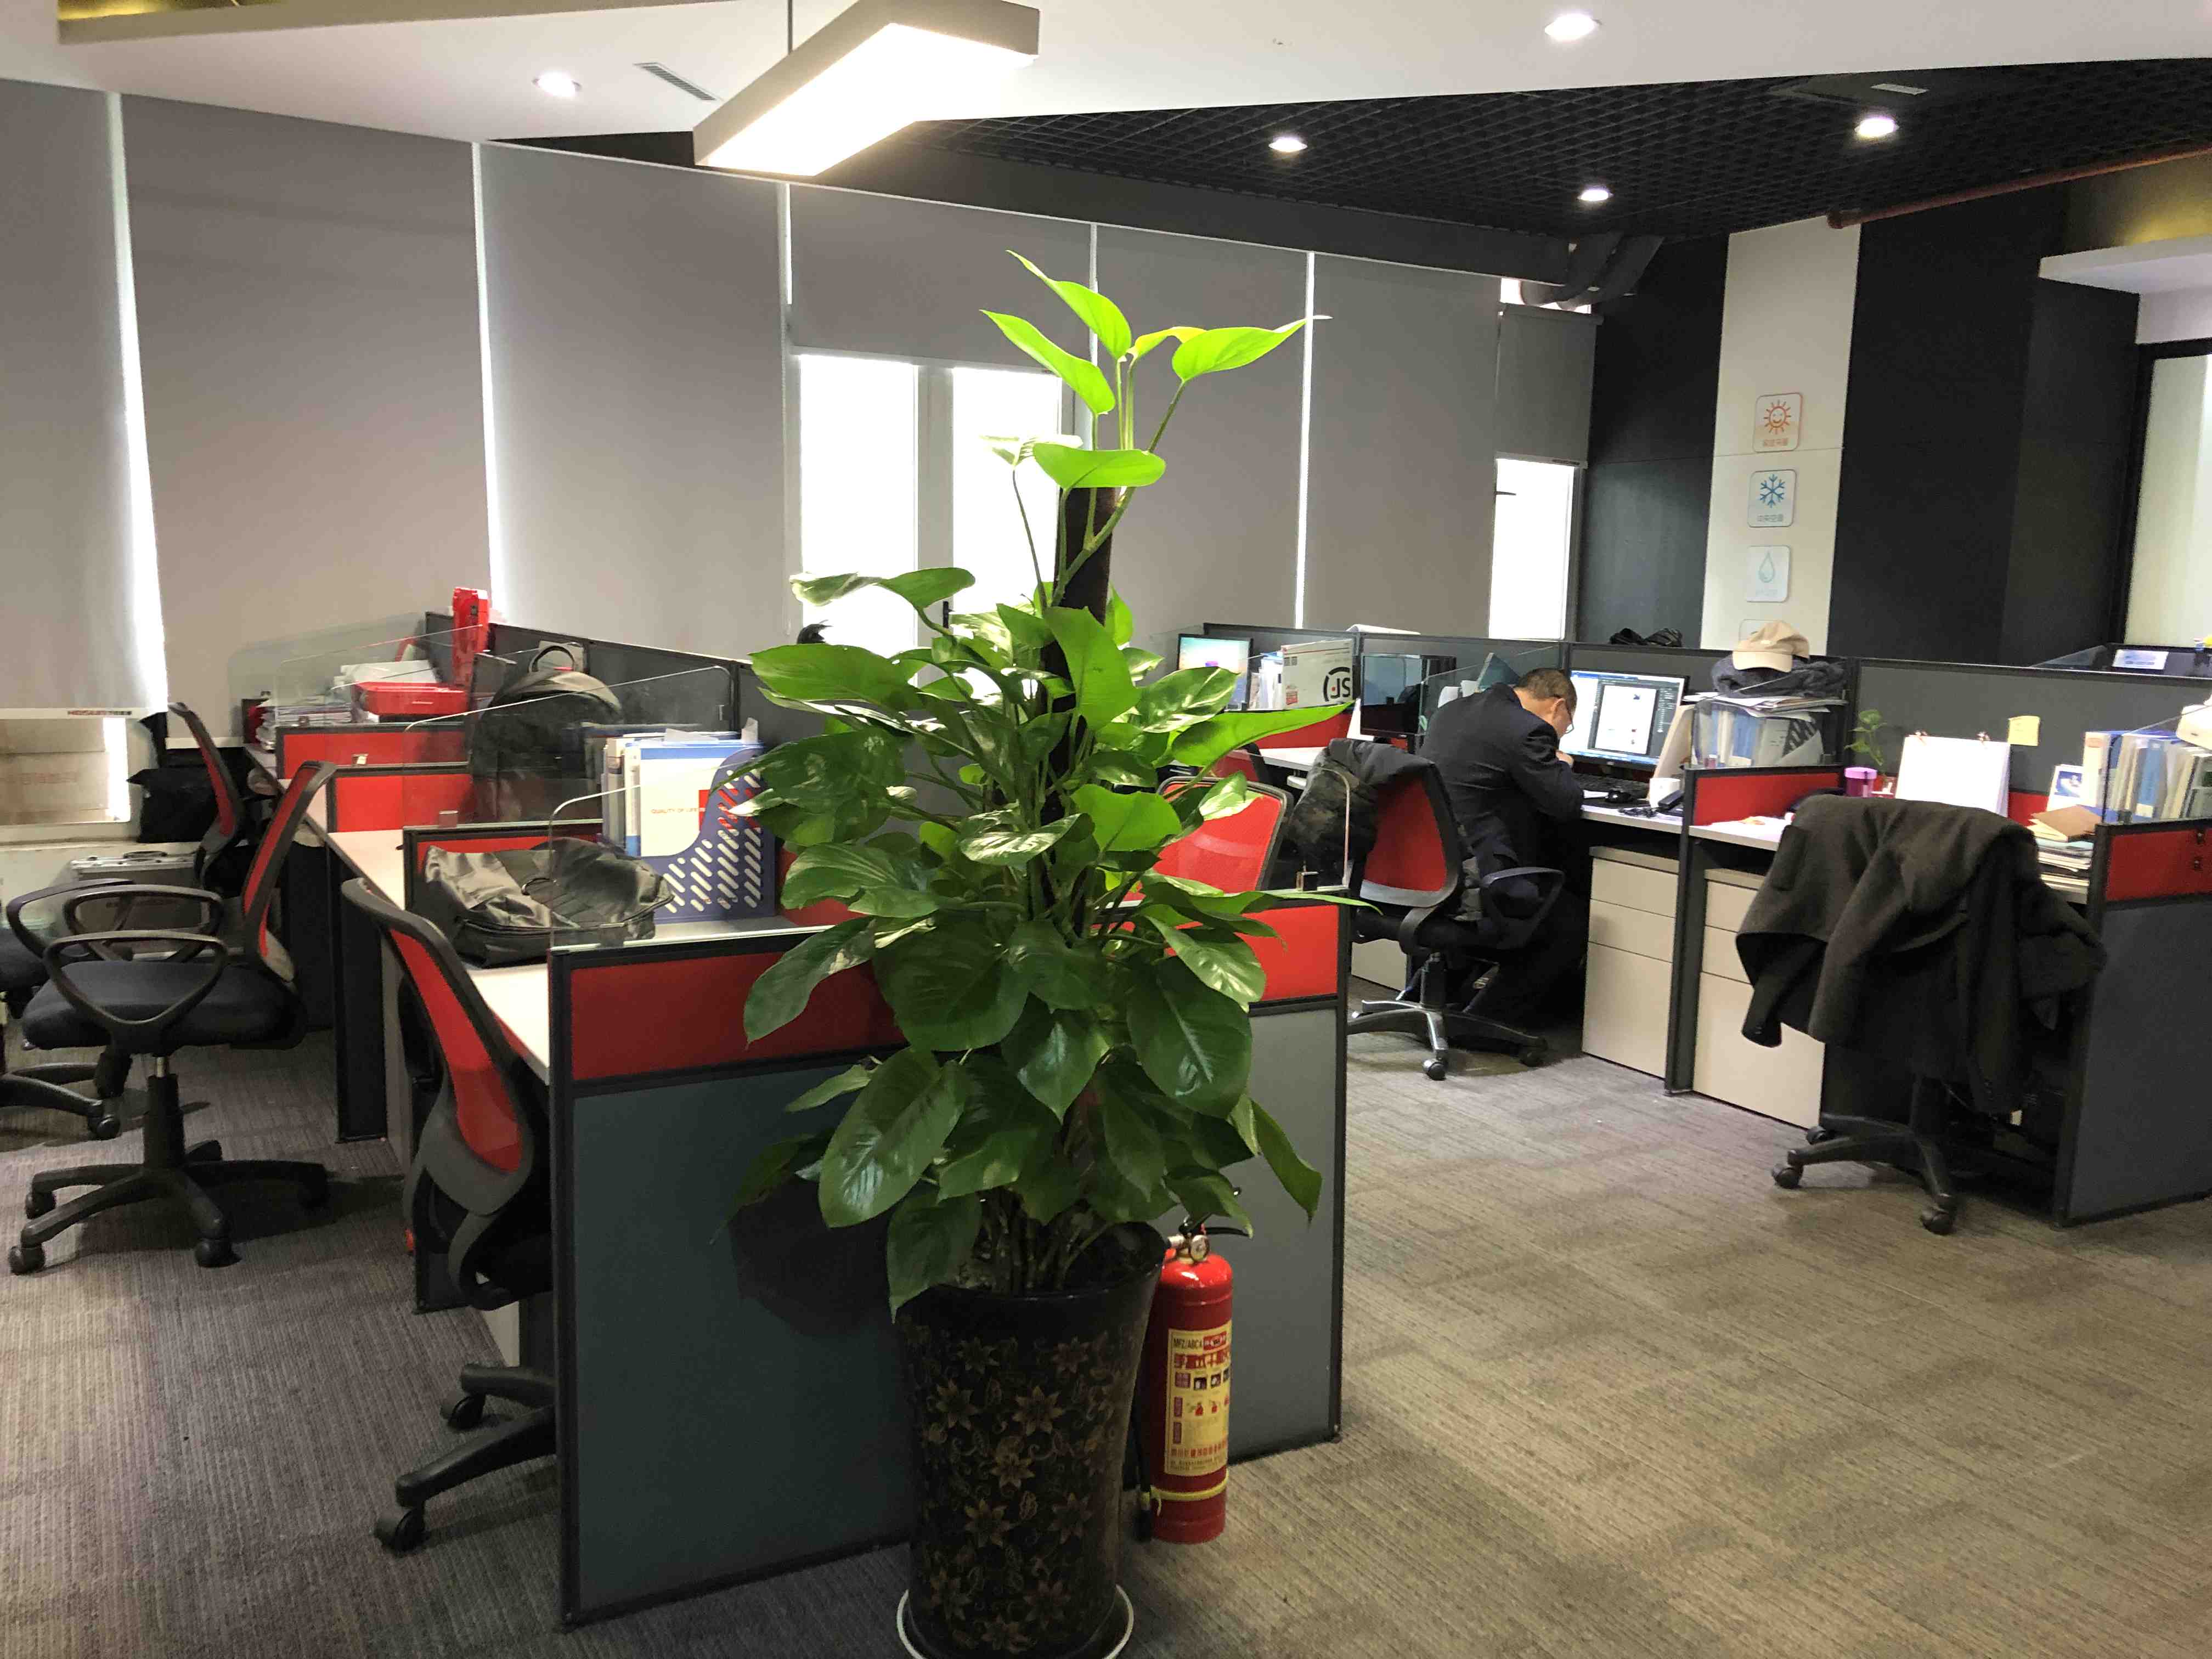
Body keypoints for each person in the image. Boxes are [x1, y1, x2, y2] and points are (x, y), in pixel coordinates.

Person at [1418, 666, 1590, 1026]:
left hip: (1429, 874)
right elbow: (1566, 803)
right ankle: (1485, 1023)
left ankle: (1444, 1002)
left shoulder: (1451, 712)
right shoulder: (1527, 729)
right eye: (1568, 725)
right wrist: (1564, 764)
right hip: (1477, 881)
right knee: (1569, 918)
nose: (1562, 733)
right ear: (1558, 706)